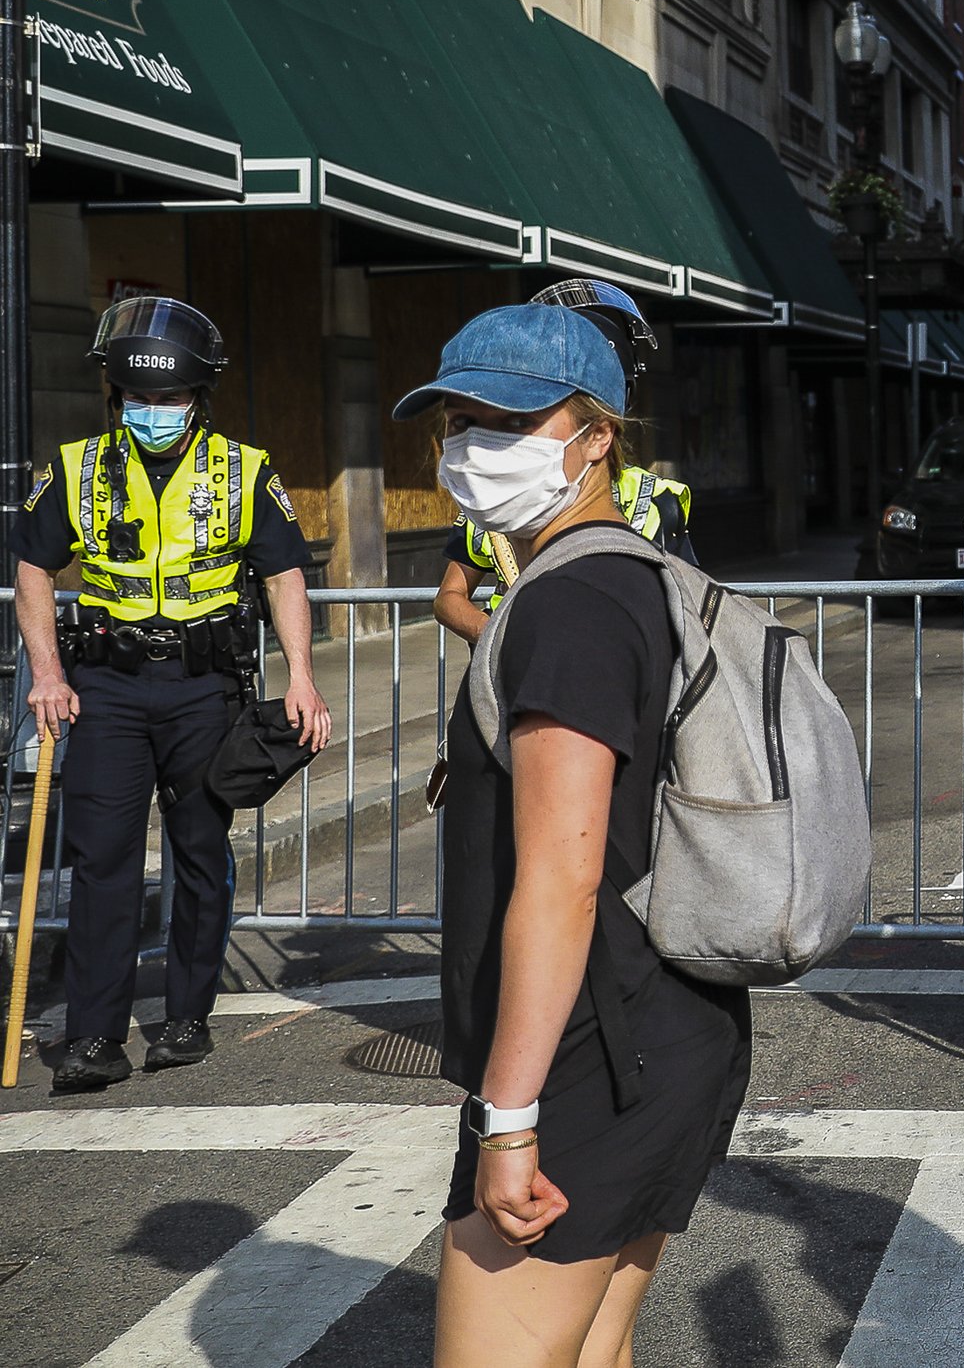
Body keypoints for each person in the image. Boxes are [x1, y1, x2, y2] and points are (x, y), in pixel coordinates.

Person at [396, 302, 749, 1368]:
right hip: (666, 1027)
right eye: (459, 419)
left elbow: (561, 879)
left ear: (597, 437)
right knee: (594, 1352)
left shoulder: (569, 604)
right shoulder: (627, 577)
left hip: (594, 1055)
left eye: (509, 417)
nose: (474, 444)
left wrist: (508, 1118)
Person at [12, 298, 331, 1093]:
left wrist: (303, 675)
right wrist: (47, 674)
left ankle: (187, 1016)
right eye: (140, 399)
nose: (155, 413)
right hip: (107, 690)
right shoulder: (77, 466)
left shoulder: (243, 469)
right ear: (116, 396)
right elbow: (31, 569)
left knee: (198, 852)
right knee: (104, 861)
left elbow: (284, 573)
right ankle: (93, 1038)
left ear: (199, 398)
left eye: (172, 399)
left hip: (204, 690)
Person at [433, 280, 694, 648]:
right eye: (463, 423)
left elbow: (687, 612)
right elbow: (449, 595)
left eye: (521, 420)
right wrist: (494, 635)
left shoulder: (656, 500)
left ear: (599, 432)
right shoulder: (487, 507)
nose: (480, 450)